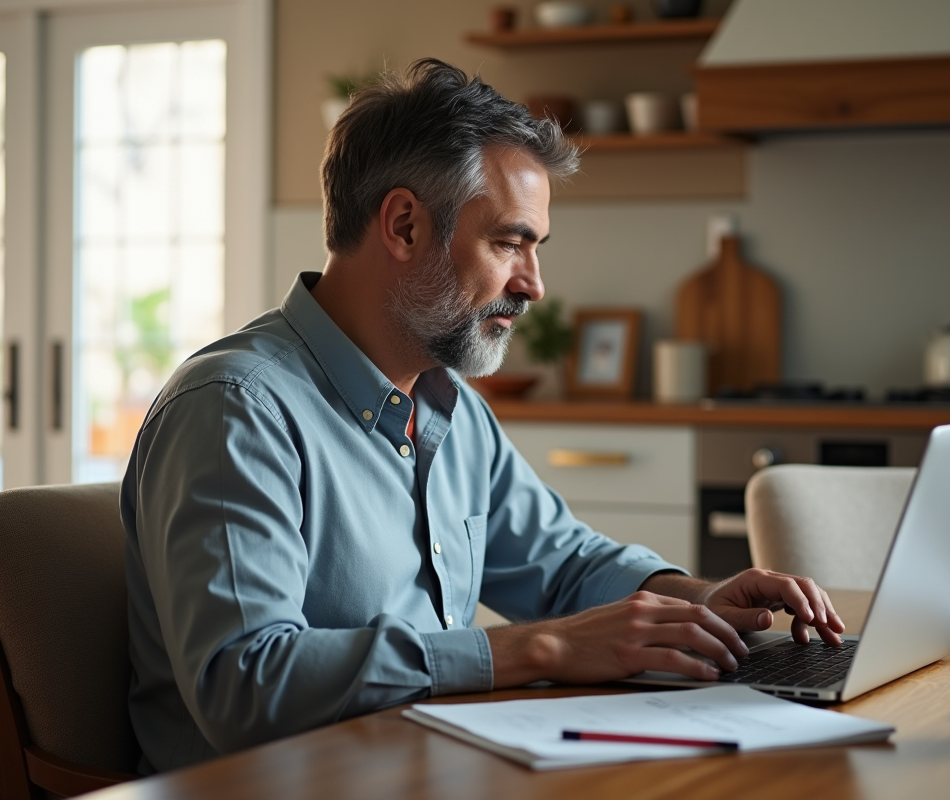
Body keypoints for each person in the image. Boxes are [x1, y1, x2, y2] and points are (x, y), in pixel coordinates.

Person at [121, 58, 845, 774]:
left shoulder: (450, 409)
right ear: (404, 225)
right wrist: (539, 648)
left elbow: (563, 566)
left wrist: (696, 597)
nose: (532, 284)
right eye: (508, 242)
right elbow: (244, 684)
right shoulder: (235, 409)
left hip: (421, 768)